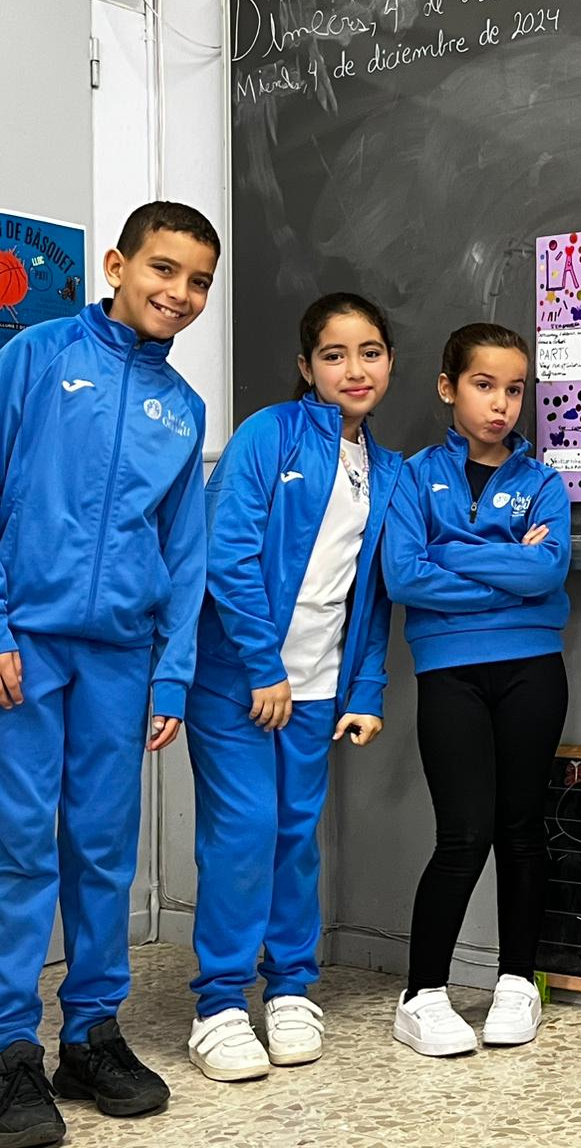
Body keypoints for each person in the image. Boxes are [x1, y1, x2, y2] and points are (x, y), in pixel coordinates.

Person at [0, 201, 216, 1148]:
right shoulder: (36, 357)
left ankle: (90, 1034)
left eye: (199, 281)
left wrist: (172, 676)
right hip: (26, 645)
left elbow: (186, 553)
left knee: (101, 849)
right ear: (119, 265)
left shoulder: (185, 409)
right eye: (164, 269)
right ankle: (8, 1046)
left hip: (122, 659)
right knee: (20, 847)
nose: (180, 293)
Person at [185, 293, 402, 1082]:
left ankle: (289, 988)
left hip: (316, 690)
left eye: (370, 352)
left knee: (293, 837)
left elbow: (374, 596)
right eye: (335, 355)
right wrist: (263, 667)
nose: (355, 368)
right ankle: (217, 1005)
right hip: (238, 681)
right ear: (307, 367)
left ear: (389, 362)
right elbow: (227, 553)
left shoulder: (389, 470)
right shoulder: (267, 434)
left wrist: (366, 688)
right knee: (242, 833)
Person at [382, 323, 571, 1057]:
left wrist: (450, 552)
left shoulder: (543, 482)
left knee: (522, 829)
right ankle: (422, 995)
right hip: (449, 673)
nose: (501, 405)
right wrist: (502, 563)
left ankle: (517, 983)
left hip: (533, 669)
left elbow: (547, 572)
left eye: (515, 390)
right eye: (484, 385)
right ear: (448, 387)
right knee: (463, 834)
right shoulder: (411, 476)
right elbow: (404, 577)